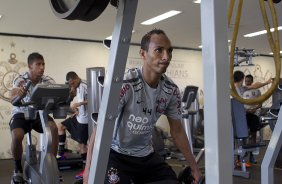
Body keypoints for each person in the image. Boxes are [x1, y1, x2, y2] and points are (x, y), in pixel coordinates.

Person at [83, 29, 202, 184]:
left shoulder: (171, 90)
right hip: (115, 154)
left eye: (169, 51)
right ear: (143, 54)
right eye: (159, 50)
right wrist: (88, 171)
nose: (166, 57)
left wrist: (194, 167)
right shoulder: (125, 85)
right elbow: (99, 130)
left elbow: (177, 131)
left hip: (145, 156)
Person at [9, 52, 58, 184]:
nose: (42, 67)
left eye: (43, 64)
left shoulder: (48, 81)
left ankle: (53, 167)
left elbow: (58, 97)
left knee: (53, 128)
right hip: (21, 113)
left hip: (39, 113)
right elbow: (12, 98)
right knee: (17, 135)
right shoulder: (20, 80)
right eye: (38, 64)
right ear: (30, 66)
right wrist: (18, 95)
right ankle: (17, 169)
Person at [56, 71, 88, 180]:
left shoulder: (86, 85)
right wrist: (77, 109)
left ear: (76, 79)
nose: (71, 86)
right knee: (60, 126)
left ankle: (85, 171)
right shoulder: (76, 86)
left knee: (82, 146)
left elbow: (97, 99)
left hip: (85, 120)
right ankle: (62, 152)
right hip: (78, 116)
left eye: (72, 84)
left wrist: (80, 104)